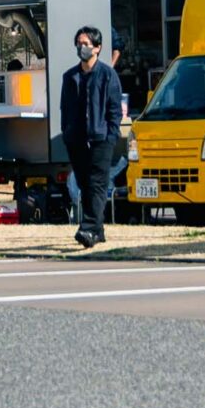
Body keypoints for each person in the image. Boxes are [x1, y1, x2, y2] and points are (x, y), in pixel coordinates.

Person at [59, 26, 129, 248]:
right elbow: (64, 108)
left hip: (101, 138)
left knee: (97, 183)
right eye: (79, 43)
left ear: (97, 48)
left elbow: (115, 110)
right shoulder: (69, 77)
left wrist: (110, 135)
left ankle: (88, 228)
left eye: (86, 44)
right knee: (84, 183)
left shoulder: (108, 75)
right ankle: (98, 230)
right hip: (76, 138)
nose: (82, 47)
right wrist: (67, 132)